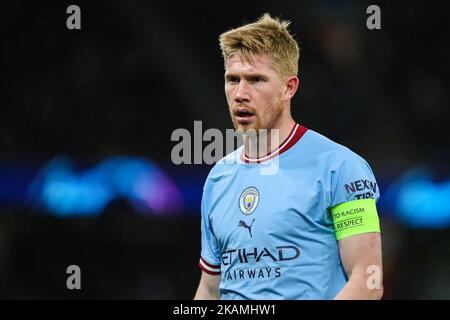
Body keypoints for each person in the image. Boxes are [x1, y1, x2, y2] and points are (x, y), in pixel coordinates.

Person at [194, 13, 383, 300]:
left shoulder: (341, 168)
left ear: (289, 87)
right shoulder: (219, 178)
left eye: (255, 79)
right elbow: (210, 289)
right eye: (232, 80)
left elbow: (368, 282)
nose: (240, 93)